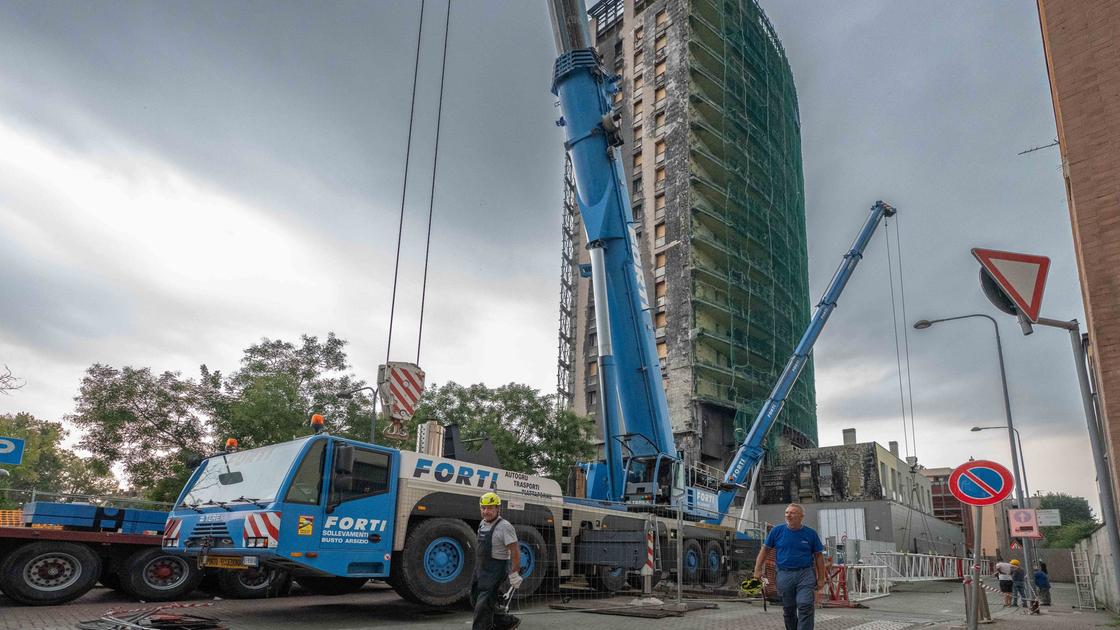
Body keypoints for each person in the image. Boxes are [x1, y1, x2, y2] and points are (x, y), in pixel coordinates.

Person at [752, 503, 826, 630]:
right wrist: (757, 569)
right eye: (787, 512)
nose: (788, 515)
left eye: (792, 513)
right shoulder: (777, 531)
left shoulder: (810, 534)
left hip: (805, 574)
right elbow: (765, 550)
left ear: (801, 516)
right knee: (789, 608)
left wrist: (821, 578)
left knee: (805, 604)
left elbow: (819, 557)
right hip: (784, 574)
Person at [472, 491, 522, 630]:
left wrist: (514, 573)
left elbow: (515, 550)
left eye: (490, 508)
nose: (486, 511)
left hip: (496, 569)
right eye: (483, 508)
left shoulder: (505, 526)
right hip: (482, 567)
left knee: (483, 604)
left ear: (497, 509)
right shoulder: (482, 523)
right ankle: (506, 622)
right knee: (476, 598)